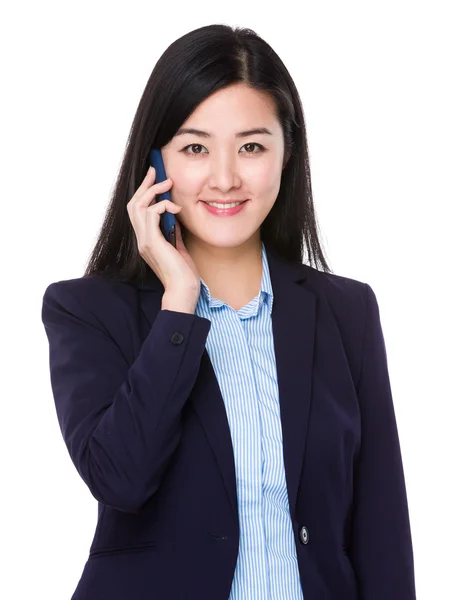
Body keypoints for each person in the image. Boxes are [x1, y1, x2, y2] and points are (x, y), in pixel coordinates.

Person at [41, 23, 416, 600]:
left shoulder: (348, 312)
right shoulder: (88, 310)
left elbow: (381, 528)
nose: (224, 177)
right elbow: (121, 477)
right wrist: (179, 307)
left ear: (287, 154)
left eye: (251, 146)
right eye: (195, 147)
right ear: (155, 160)